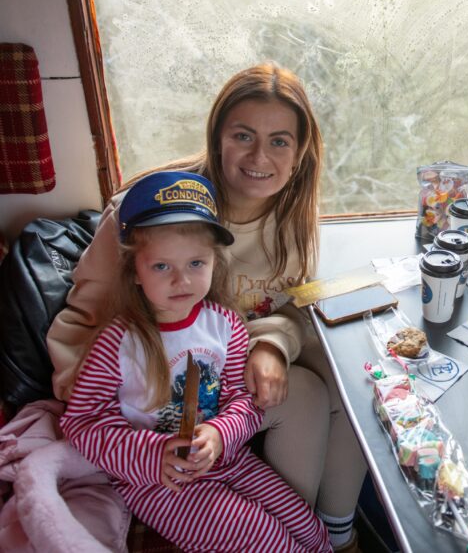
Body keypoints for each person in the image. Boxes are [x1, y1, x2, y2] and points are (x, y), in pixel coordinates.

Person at [47, 63, 366, 551]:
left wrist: (273, 344)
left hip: (227, 358)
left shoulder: (293, 218)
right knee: (300, 394)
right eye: (243, 135)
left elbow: (292, 305)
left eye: (280, 141)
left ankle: (335, 530)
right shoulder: (152, 213)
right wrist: (108, 414)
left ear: (300, 154)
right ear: (218, 137)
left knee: (353, 377)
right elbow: (87, 316)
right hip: (151, 387)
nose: (261, 156)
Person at [60, 171, 331, 551]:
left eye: (195, 264)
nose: (181, 280)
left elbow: (243, 401)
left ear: (213, 263)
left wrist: (221, 434)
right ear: (134, 271)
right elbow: (82, 424)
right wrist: (153, 455)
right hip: (160, 484)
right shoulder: (117, 343)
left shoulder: (226, 326)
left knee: (311, 529)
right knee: (267, 541)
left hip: (229, 460)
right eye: (161, 266)